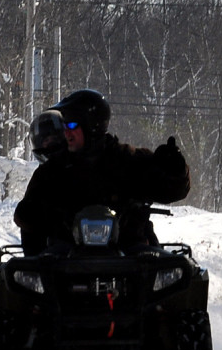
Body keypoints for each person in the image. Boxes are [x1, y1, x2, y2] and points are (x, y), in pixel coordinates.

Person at [14, 89, 190, 250]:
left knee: (176, 276)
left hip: (131, 260)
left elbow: (173, 190)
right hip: (66, 265)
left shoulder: (129, 159)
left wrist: (176, 170)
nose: (67, 132)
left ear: (92, 125)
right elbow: (24, 215)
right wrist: (53, 217)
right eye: (65, 125)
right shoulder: (53, 170)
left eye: (73, 125)